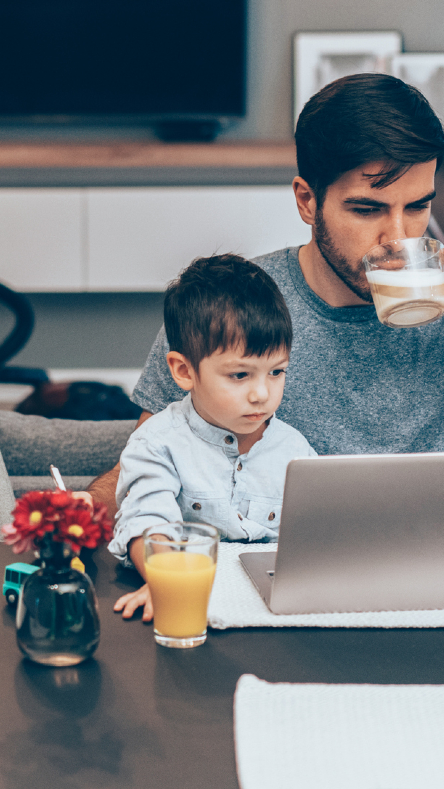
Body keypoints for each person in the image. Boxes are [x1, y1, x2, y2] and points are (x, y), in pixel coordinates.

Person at [87, 73, 444, 513]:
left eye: (418, 207)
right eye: (367, 209)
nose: (396, 237)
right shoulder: (231, 311)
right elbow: (144, 474)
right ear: (306, 201)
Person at [107, 254, 318, 623]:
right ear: (184, 371)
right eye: (240, 375)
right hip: (193, 603)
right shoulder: (157, 442)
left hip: (275, 615)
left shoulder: (296, 450)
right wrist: (167, 581)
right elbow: (146, 520)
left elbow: (322, 537)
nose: (261, 394)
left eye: (276, 371)